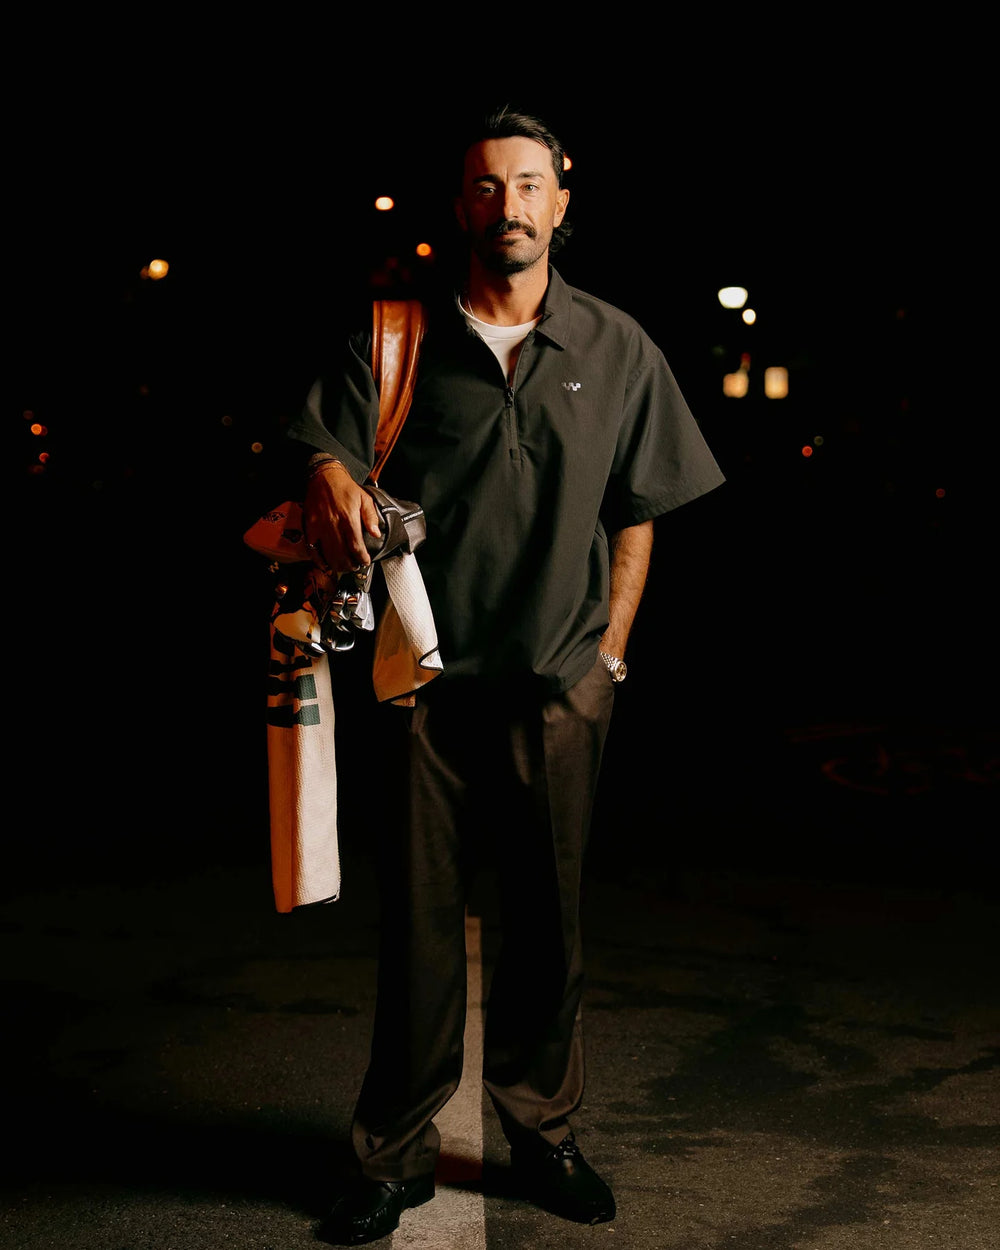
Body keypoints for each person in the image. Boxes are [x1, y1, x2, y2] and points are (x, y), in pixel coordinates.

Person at [288, 105, 725, 1245]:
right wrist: (328, 471)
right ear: (460, 206)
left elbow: (638, 511)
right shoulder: (396, 337)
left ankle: (543, 1134)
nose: (509, 205)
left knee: (547, 924)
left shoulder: (616, 345)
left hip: (559, 679)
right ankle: (392, 1153)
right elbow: (322, 446)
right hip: (421, 687)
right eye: (486, 186)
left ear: (561, 200)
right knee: (418, 928)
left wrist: (609, 653)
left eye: (529, 184)